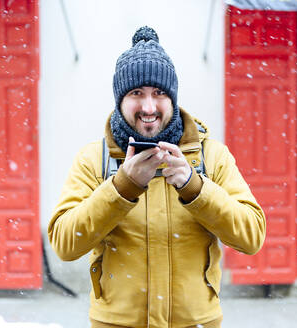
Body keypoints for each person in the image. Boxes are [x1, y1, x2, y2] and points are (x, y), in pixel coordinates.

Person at [48, 26, 266, 328]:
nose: (148, 107)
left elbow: (252, 236)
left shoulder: (211, 156)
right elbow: (64, 244)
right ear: (120, 100)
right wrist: (123, 187)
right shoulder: (93, 159)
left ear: (172, 99)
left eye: (159, 93)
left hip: (196, 323)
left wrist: (195, 187)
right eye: (137, 93)